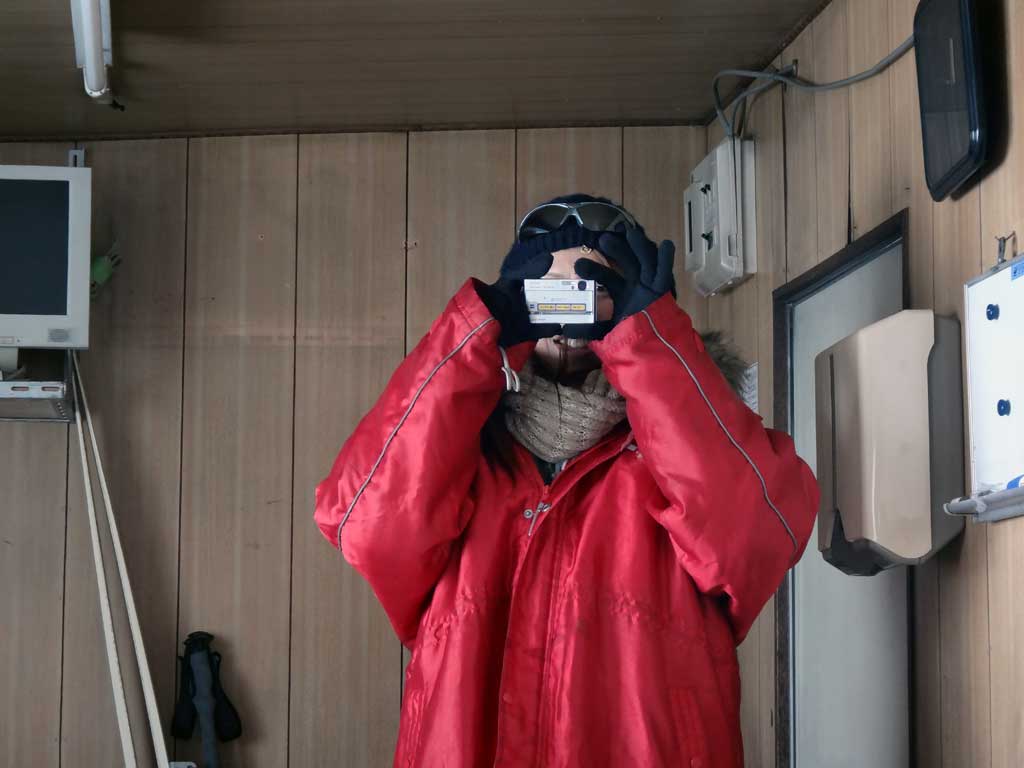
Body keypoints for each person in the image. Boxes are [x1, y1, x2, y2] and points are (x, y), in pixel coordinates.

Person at [314, 195, 819, 767]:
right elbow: (362, 523)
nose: (569, 312)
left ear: (635, 303)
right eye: (548, 289)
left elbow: (757, 538)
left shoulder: (697, 442)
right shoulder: (457, 448)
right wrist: (474, 338)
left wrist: (654, 349)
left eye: (593, 287)